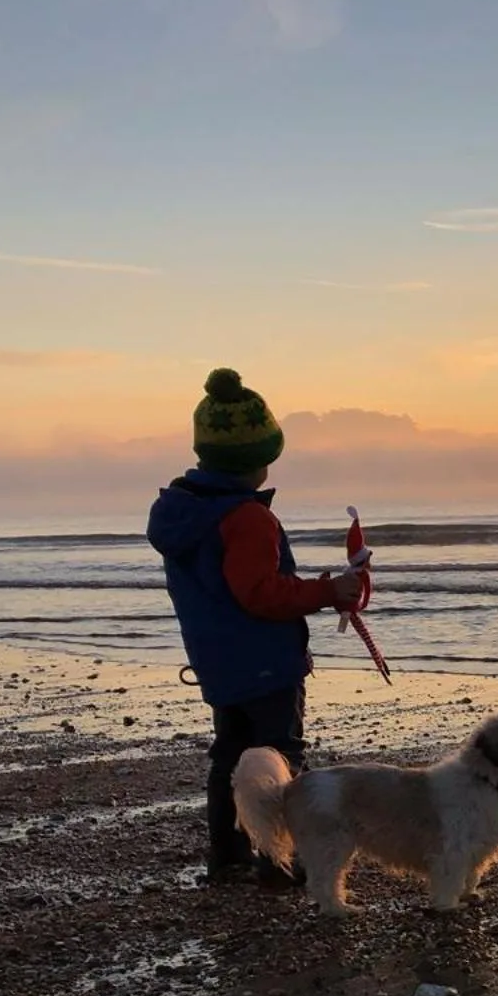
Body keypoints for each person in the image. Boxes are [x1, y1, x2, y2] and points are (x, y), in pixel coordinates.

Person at [145, 368, 363, 885]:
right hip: (265, 662)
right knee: (279, 760)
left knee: (230, 759)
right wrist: (327, 591)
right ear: (255, 461)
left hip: (217, 662)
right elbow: (261, 594)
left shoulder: (187, 513)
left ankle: (228, 857)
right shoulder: (246, 518)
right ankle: (277, 862)